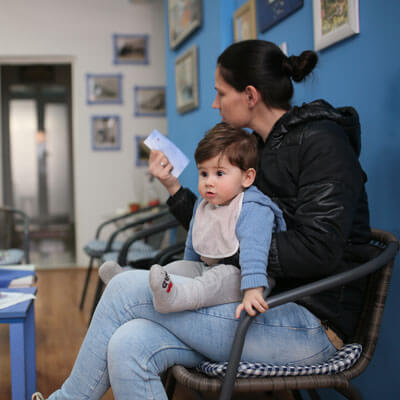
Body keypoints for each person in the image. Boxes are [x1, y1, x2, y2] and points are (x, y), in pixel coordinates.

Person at [32, 40, 371, 400]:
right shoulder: (262, 146)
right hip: (255, 303)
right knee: (127, 344)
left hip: (311, 321)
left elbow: (318, 249)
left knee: (122, 290)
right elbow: (223, 223)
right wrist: (173, 187)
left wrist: (229, 249)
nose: (214, 103)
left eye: (220, 93)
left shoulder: (322, 143)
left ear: (250, 95)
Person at [100, 122, 286, 317]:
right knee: (174, 268)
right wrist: (187, 270)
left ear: (247, 178)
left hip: (243, 278)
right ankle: (128, 283)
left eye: (219, 173)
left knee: (219, 277)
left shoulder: (253, 208)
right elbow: (194, 242)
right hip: (208, 269)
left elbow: (254, 251)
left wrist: (253, 290)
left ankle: (174, 297)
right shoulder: (203, 204)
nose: (208, 181)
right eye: (203, 173)